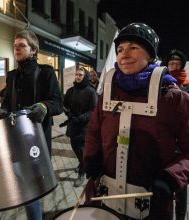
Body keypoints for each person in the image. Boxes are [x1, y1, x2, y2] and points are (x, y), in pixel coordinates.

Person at [83, 23, 189, 220]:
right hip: (106, 198)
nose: (124, 54)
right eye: (120, 49)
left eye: (133, 47)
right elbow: (94, 131)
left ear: (150, 55)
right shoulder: (108, 92)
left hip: (152, 205)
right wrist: (91, 157)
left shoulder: (174, 98)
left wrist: (171, 177)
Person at [2, 30, 63, 220]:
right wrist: (2, 111)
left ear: (34, 50)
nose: (17, 48)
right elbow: (6, 103)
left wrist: (45, 106)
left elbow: (58, 103)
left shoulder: (45, 73)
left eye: (22, 45)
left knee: (34, 188)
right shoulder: (11, 76)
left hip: (37, 139)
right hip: (15, 139)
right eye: (15, 45)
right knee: (24, 185)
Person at [161, 49, 188, 220]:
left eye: (177, 64)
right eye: (171, 64)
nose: (174, 67)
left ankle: (180, 216)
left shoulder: (187, 85)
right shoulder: (160, 84)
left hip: (183, 142)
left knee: (181, 186)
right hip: (166, 141)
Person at [63, 67, 97, 187]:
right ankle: (81, 164)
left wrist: (80, 118)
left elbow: (93, 110)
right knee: (74, 146)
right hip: (73, 125)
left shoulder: (91, 92)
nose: (77, 77)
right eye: (76, 74)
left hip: (84, 127)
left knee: (81, 150)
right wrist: (67, 112)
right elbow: (65, 104)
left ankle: (82, 173)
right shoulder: (71, 90)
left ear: (85, 76)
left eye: (80, 75)